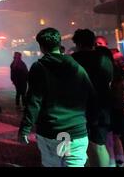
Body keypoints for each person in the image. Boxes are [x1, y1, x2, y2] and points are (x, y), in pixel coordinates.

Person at [18, 28, 96, 167]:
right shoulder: (76, 67)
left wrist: (25, 128)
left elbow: (34, 101)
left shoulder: (39, 68)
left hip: (50, 132)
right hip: (76, 132)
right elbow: (91, 96)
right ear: (59, 44)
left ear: (41, 47)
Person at [72, 29, 113, 167]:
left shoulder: (72, 60)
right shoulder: (104, 58)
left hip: (79, 109)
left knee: (86, 145)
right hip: (102, 106)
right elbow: (109, 79)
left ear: (77, 43)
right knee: (99, 145)